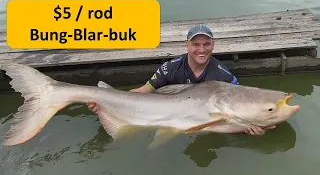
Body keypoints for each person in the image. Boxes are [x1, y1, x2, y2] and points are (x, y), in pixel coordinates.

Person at [87, 24, 276, 135]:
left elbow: (243, 104)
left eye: (206, 44)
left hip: (208, 125)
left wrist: (255, 125)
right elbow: (144, 91)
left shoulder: (223, 74)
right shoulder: (171, 67)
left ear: (213, 45)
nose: (201, 50)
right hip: (174, 117)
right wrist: (107, 100)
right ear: (187, 45)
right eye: (196, 44)